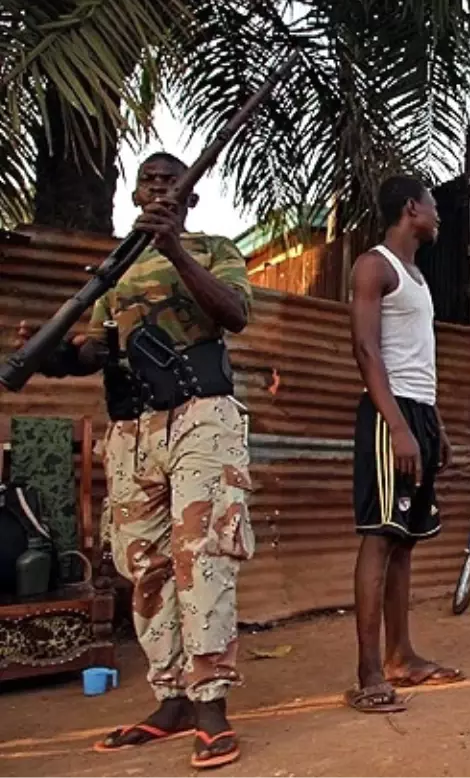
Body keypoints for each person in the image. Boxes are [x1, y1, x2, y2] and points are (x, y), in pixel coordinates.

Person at [17, 152, 255, 769]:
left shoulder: (212, 248)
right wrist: (47, 357)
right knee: (143, 563)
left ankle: (211, 707)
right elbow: (95, 351)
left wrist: (176, 249)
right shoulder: (113, 272)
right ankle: (171, 698)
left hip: (202, 416)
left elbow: (234, 314)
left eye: (171, 183)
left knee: (202, 558)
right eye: (149, 181)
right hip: (132, 428)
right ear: (134, 195)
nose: (159, 190)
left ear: (189, 199)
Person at [344, 175, 461, 713]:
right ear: (412, 208)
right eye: (433, 206)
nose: (438, 216)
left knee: (405, 538)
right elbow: (366, 350)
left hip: (416, 412)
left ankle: (401, 656)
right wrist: (395, 425)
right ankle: (370, 674)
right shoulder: (375, 266)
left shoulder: (415, 274)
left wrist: (433, 424)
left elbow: (417, 359)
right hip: (388, 414)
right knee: (380, 536)